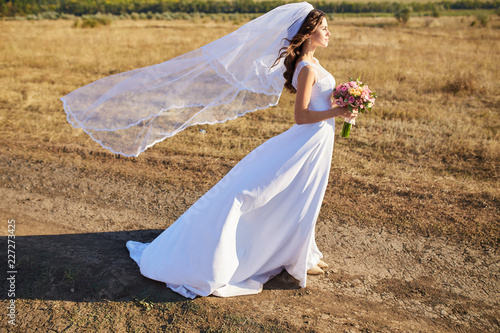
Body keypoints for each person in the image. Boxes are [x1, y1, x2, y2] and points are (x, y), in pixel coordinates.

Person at [125, 5, 358, 298]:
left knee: (306, 195)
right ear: (309, 32)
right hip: (306, 140)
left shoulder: (313, 62)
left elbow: (320, 104)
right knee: (289, 193)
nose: (329, 32)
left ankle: (302, 252)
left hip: (320, 140)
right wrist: (339, 111)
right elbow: (301, 116)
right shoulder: (308, 68)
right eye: (324, 28)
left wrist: (343, 105)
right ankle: (290, 256)